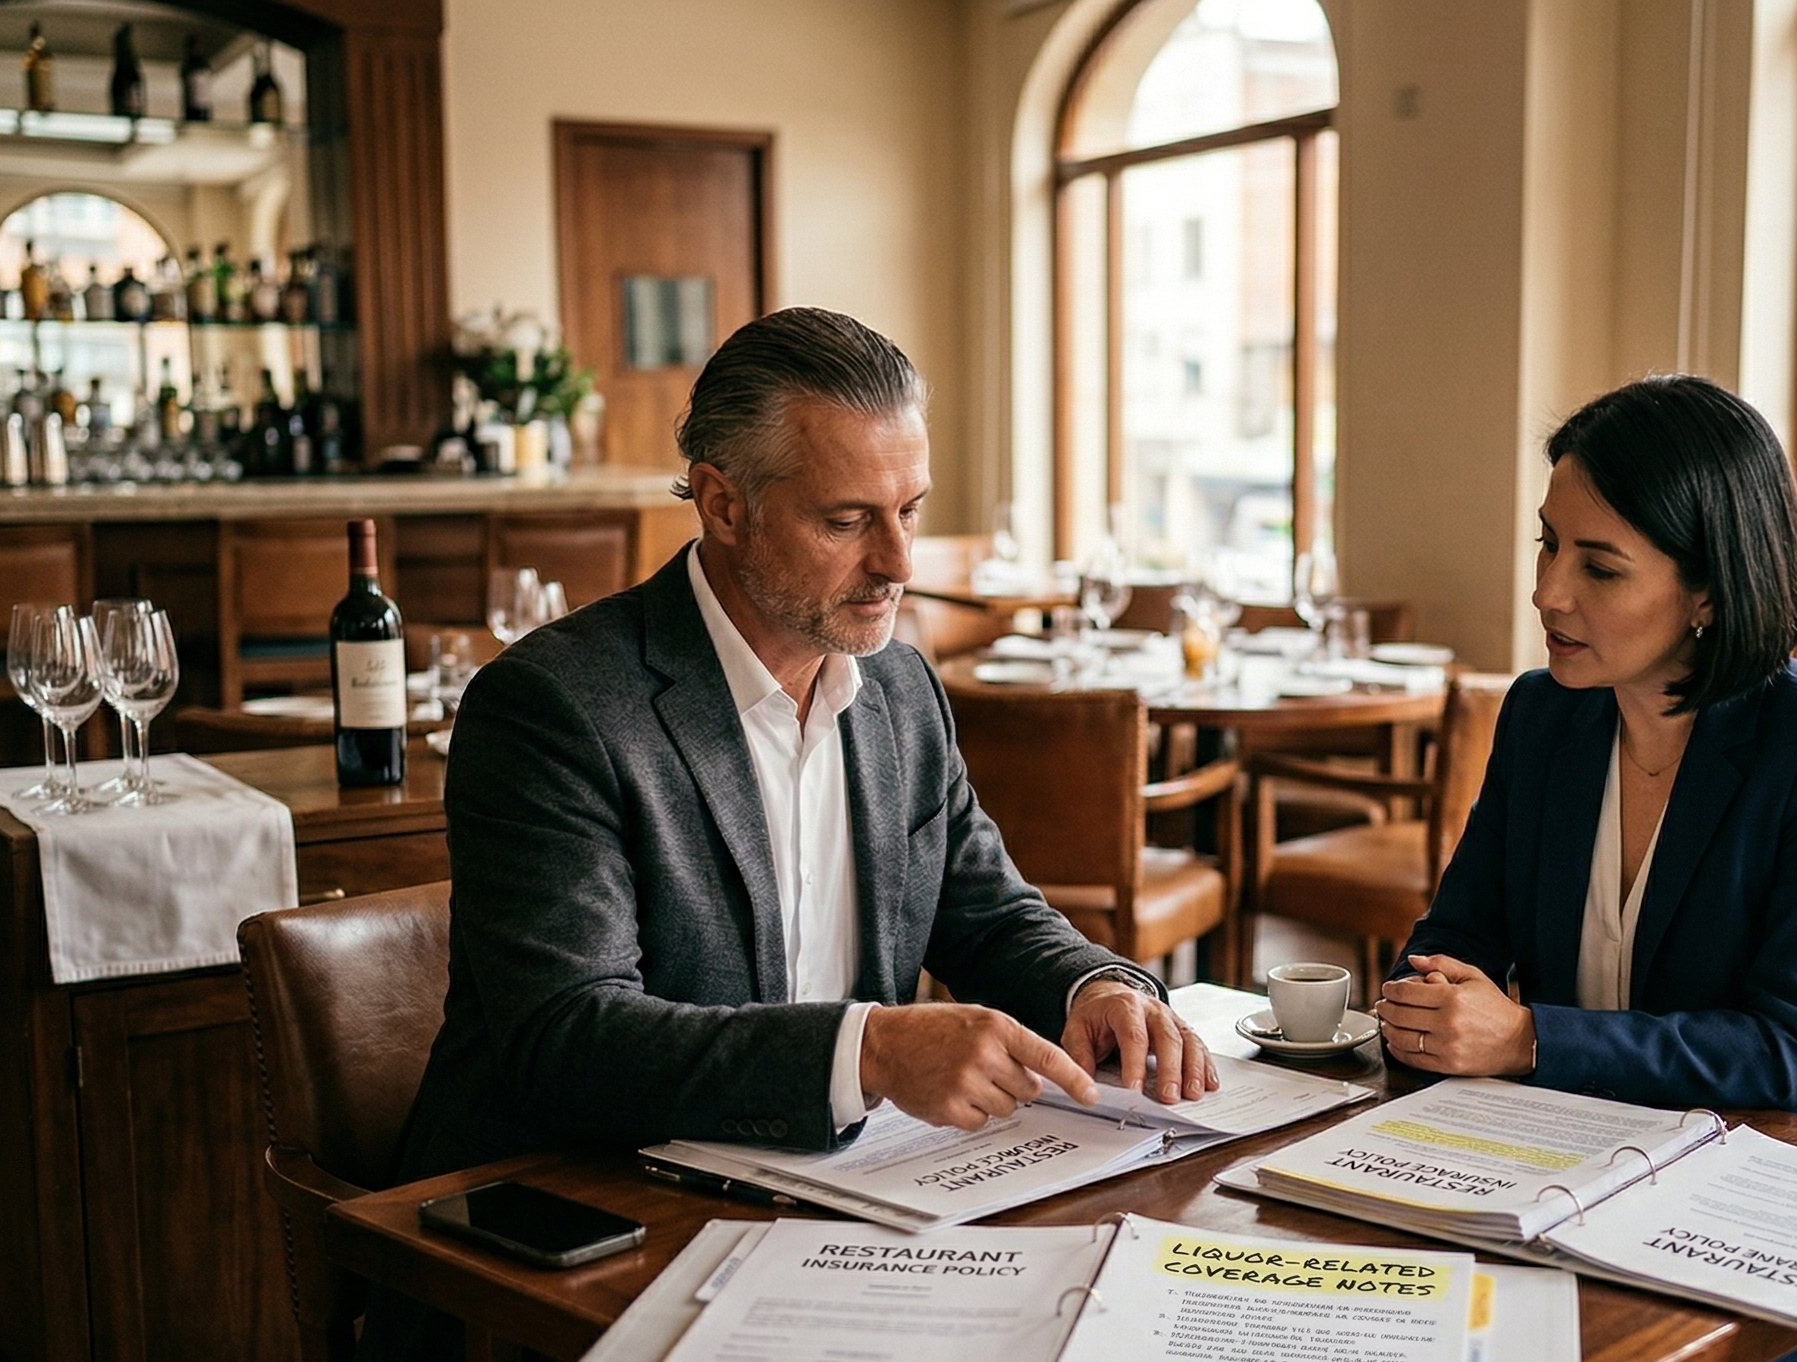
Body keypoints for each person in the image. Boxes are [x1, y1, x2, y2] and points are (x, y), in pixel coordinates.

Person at [366, 308, 1216, 1358]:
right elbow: (567, 1040)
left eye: (910, 509)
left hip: (831, 1211)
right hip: (576, 1231)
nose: (898, 560)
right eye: (847, 520)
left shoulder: (901, 687)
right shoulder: (555, 706)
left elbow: (985, 912)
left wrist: (1099, 988)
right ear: (722, 505)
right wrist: (868, 1048)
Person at [1370, 373, 1797, 1145]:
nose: (1548, 592)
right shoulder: (1542, 713)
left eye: (1599, 568)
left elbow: (1794, 1052)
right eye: (1549, 543)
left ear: (1708, 591)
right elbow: (1457, 936)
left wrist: (1528, 1039)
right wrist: (1430, 997)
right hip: (1593, 1145)